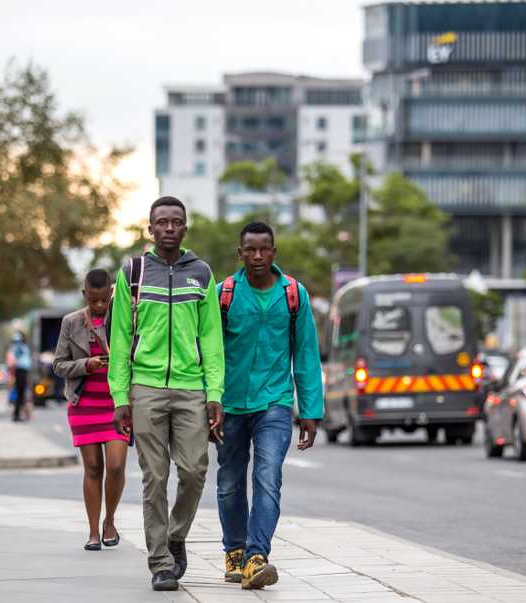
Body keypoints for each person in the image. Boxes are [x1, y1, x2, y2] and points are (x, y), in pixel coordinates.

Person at [111, 196, 225, 592]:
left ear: (185, 229)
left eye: (177, 222)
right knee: (154, 477)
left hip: (192, 387)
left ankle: (176, 535)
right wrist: (120, 398)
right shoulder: (134, 273)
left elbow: (211, 339)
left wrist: (215, 393)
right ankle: (160, 561)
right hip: (144, 388)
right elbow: (121, 337)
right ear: (151, 229)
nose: (170, 228)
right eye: (162, 222)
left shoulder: (202, 274)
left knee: (194, 470)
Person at [216, 221, 324, 590]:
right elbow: (208, 354)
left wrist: (310, 410)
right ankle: (234, 550)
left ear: (274, 253)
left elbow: (306, 353)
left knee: (268, 477)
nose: (258, 255)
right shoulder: (223, 295)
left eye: (265, 249)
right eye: (250, 249)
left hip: (275, 403)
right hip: (229, 404)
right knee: (230, 482)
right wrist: (208, 401)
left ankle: (256, 555)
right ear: (240, 253)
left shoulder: (293, 294)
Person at [54, 269, 130, 552]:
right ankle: (93, 531)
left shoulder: (124, 318)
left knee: (116, 465)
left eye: (104, 300)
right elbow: (58, 365)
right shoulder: (71, 322)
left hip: (117, 405)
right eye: (93, 300)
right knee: (93, 467)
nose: (99, 306)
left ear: (112, 293)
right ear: (85, 294)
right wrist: (87, 365)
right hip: (84, 406)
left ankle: (110, 520)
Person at [10, 333, 32, 422]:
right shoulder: (18, 347)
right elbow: (16, 357)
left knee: (21, 394)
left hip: (23, 371)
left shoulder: (22, 347)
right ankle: (17, 415)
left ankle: (17, 414)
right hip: (20, 371)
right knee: (20, 394)